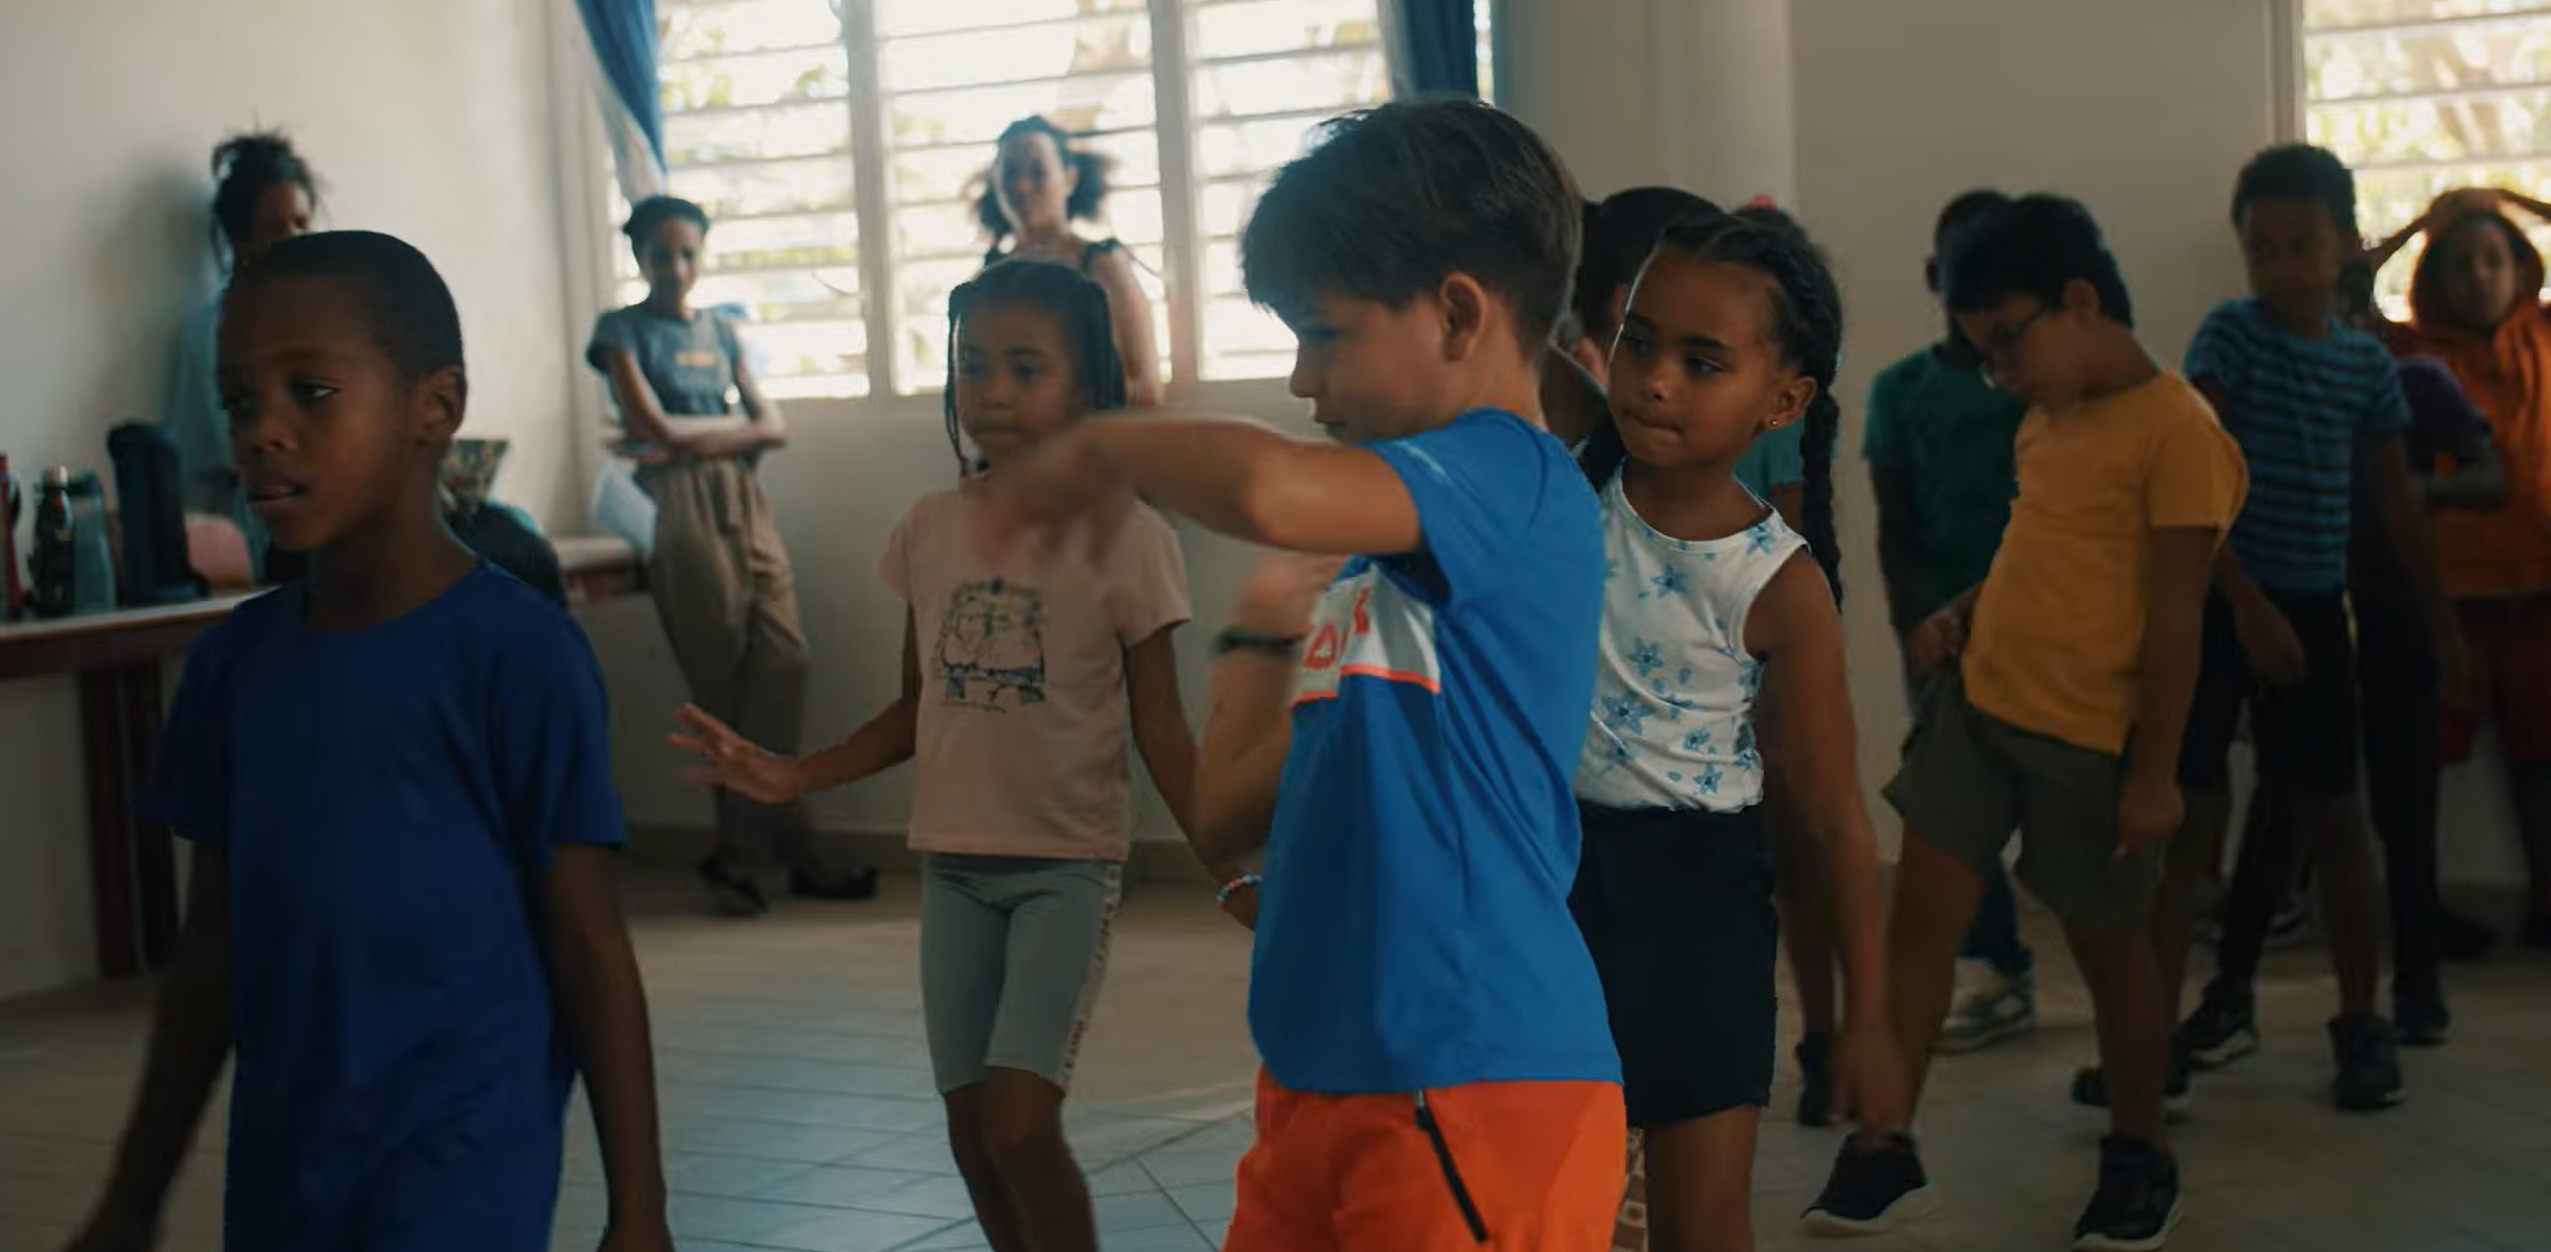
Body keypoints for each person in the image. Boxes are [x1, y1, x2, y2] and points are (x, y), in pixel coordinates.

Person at [975, 98, 1626, 1252]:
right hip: (1320, 1081)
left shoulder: (1515, 475)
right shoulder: (1374, 573)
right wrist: (1262, 636)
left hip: (1469, 1080)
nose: (1301, 379)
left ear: (1458, 313)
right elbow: (1227, 814)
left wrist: (1097, 441)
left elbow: (1270, 488)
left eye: (1324, 335)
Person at [61, 231, 671, 1252]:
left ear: (436, 407)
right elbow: (211, 957)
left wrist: (639, 1211)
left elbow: (588, 945)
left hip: (459, 1172)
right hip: (286, 1176)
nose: (263, 431)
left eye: (311, 392)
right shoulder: (234, 668)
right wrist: (133, 1196)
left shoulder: (518, 657)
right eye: (239, 400)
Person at [669, 259, 1198, 1252]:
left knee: (1020, 1124)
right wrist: (792, 774)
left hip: (1065, 870)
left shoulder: (1130, 538)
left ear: (1087, 384)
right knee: (970, 1132)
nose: (992, 390)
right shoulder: (929, 526)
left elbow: (1163, 726)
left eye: (1026, 367)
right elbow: (919, 708)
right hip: (953, 871)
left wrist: (1235, 866)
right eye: (973, 364)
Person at [1806, 195, 2245, 1252]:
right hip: (1981, 708)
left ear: (2079, 302)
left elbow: (2177, 621)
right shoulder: (2050, 418)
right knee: (1921, 919)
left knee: (2110, 949)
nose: (2000, 373)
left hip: (2091, 740)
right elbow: (2040, 552)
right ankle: (1885, 1142)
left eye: (2008, 342)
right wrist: (1964, 610)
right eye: (1982, 352)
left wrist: (2156, 774)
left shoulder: (2180, 431)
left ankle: (2139, 1154)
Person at [1569, 208, 1905, 1251]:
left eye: (1702, 362)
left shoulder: (1779, 584)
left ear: (1783, 401)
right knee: (1552, 1203)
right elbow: (1497, 314)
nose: (1654, 380)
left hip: (1698, 905)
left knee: (1702, 1222)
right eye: (1638, 341)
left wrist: (1868, 1018)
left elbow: (1836, 817)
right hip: (1552, 874)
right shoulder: (1570, 472)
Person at [2154, 144, 2461, 1116]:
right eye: (2263, 247)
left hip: (2318, 611)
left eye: (2302, 245)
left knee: (2334, 814)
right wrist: (2245, 605)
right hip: (2222, 601)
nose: (2281, 265)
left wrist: (2445, 630)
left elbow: (2398, 504)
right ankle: (2147, 1037)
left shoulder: (2367, 364)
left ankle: (2361, 1025)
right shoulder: (2230, 336)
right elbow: (2193, 479)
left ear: (2346, 247)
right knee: (2190, 815)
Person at [2202, 258, 2510, 1055]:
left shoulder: (2416, 382)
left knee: (2405, 810)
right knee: (2283, 807)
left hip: (2394, 613)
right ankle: (2230, 990)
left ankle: (2416, 988)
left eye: (2350, 308)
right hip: (2305, 610)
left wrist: (2400, 490)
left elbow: (2491, 475)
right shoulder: (2269, 370)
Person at [2360, 187, 2551, 959]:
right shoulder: (2411, 354)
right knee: (2425, 755)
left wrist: (2504, 196)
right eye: (2459, 264)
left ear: (2521, 270)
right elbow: (2353, 283)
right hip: (2447, 590)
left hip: (2545, 576)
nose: (2478, 277)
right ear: (2433, 279)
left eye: (2494, 261)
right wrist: (2429, 219)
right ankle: (2421, 907)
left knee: (2540, 752)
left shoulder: (2546, 330)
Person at [589, 194, 873, 915]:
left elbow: (771, 425)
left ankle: (740, 850)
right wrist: (719, 432)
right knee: (721, 680)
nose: (676, 266)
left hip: (742, 496)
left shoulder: (722, 329)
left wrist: (696, 437)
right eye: (661, 253)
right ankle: (786, 852)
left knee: (784, 659)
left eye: (687, 252)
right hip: (675, 502)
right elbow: (653, 426)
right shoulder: (620, 331)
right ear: (639, 255)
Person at [1861, 189, 2039, 1056]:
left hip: (2043, 622)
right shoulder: (1901, 390)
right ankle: (1997, 964)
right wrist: (1910, 632)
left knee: (2052, 801)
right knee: (1953, 814)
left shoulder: (2039, 387)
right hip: (1941, 633)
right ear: (1937, 277)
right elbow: (1894, 524)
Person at [169, 131, 319, 583]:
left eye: (302, 223)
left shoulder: (337, 321)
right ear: (240, 241)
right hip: (278, 538)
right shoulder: (211, 334)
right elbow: (235, 450)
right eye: (276, 227)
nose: (295, 239)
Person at [977, 116, 1164, 406]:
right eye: (1010, 172)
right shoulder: (988, 274)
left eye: (1038, 171)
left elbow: (1149, 389)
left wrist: (1059, 397)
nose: (1022, 186)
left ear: (1070, 178)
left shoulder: (1104, 264)